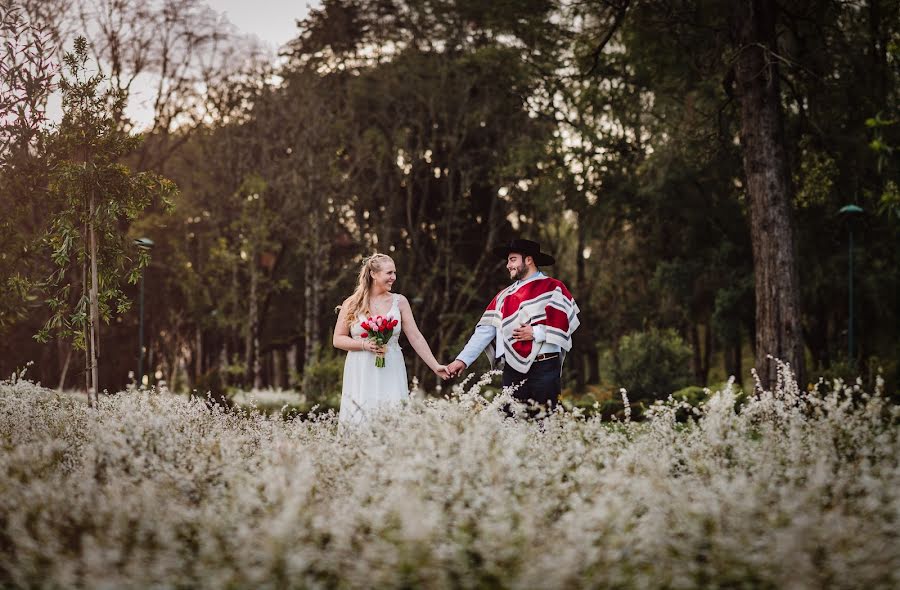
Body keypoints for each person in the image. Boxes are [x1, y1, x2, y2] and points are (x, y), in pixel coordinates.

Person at [446, 239, 580, 413]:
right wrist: (462, 360)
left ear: (529, 260)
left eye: (513, 259)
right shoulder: (504, 296)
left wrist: (537, 332)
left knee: (548, 424)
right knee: (511, 424)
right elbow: (485, 331)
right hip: (512, 370)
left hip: (545, 367)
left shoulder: (553, 287)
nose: (508, 265)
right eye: (508, 260)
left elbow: (565, 323)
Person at [333, 253, 448, 425]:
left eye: (394, 273)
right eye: (389, 273)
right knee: (361, 416)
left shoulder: (400, 302)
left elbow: (415, 336)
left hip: (391, 366)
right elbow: (338, 339)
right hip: (361, 368)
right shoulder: (352, 303)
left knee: (393, 414)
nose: (393, 277)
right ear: (373, 274)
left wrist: (435, 365)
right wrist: (364, 345)